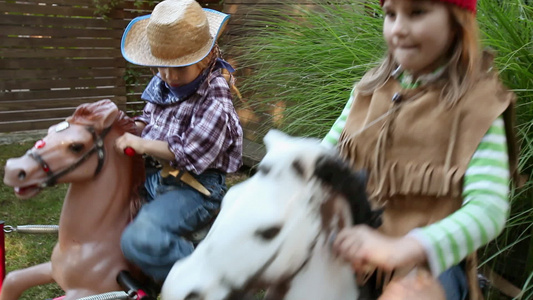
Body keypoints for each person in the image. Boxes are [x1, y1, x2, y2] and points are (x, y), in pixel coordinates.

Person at [322, 0, 518, 299]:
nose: (398, 28)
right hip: (356, 241)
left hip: (429, 264)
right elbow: (325, 158)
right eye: (390, 14)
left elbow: (488, 209)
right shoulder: (368, 90)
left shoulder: (480, 105)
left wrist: (404, 248)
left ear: (457, 21)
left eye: (417, 12)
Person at [114, 0, 243, 283]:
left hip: (194, 187)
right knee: (107, 213)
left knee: (141, 237)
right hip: (155, 176)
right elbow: (149, 118)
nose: (169, 77)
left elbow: (189, 153)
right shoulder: (165, 83)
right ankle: (147, 276)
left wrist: (143, 145)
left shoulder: (215, 100)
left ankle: (205, 282)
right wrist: (132, 128)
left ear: (205, 59)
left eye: (179, 69)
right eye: (161, 67)